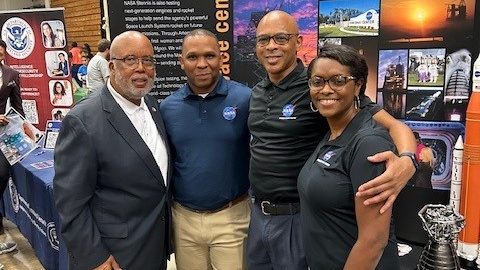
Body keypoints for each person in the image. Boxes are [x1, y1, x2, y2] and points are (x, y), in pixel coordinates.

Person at [246, 10, 416, 269]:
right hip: (259, 214)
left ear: (299, 43)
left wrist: (408, 160)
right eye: (263, 39)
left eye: (281, 38)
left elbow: (394, 125)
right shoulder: (257, 91)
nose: (271, 46)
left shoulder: (317, 82)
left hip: (298, 216)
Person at [53, 31, 171, 270]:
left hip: (153, 246)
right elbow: (70, 202)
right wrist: (94, 258)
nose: (141, 68)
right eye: (130, 60)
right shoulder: (83, 121)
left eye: (148, 60)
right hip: (114, 257)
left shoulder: (152, 105)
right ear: (111, 66)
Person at [298, 44, 399, 269]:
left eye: (338, 80)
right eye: (317, 82)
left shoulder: (369, 143)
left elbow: (373, 242)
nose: (325, 89)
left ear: (358, 85)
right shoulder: (332, 134)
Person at [160, 29, 250, 270]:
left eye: (210, 56)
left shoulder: (245, 99)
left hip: (231, 217)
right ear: (181, 62)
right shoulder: (167, 108)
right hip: (184, 219)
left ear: (221, 58)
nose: (202, 64)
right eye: (192, 57)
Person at [0, 39, 20, 259]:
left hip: (3, 135)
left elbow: (17, 104)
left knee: (2, 174)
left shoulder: (12, 74)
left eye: (2, 53)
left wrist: (24, 126)